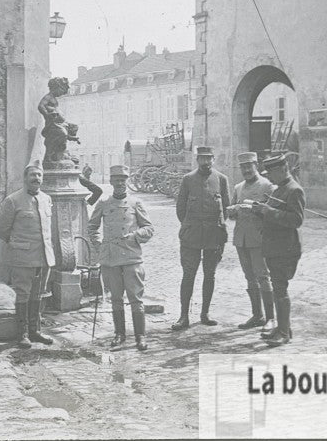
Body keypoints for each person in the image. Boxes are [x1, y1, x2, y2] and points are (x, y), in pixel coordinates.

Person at [87, 165, 156, 351]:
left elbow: (149, 228)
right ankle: (119, 334)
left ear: (126, 181)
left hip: (131, 256)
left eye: (122, 179)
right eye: (116, 179)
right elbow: (92, 227)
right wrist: (99, 244)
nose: (119, 183)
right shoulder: (103, 203)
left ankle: (140, 336)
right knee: (116, 298)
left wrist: (135, 235)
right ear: (110, 181)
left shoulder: (136, 203)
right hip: (110, 258)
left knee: (136, 298)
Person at [0, 164, 57, 349]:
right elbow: (2, 230)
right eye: (32, 175)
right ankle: (22, 334)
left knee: (38, 293)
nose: (36, 178)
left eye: (39, 175)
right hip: (23, 257)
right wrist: (19, 246)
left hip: (44, 256)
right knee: (23, 293)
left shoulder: (46, 199)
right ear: (25, 177)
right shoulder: (13, 201)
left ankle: (35, 331)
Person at [242, 155, 304, 345]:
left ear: (283, 169)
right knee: (278, 290)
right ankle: (282, 327)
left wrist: (267, 211)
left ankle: (283, 333)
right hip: (273, 247)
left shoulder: (294, 190)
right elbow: (274, 216)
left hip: (285, 248)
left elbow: (296, 220)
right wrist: (258, 210)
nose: (269, 177)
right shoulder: (279, 190)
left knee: (280, 290)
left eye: (272, 173)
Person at [173, 146, 230, 331]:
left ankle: (205, 313)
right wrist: (191, 224)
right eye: (202, 159)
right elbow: (180, 208)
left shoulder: (221, 179)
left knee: (210, 275)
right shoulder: (188, 179)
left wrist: (215, 226)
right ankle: (183, 316)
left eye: (209, 159)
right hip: (192, 235)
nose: (205, 162)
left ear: (213, 159)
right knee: (188, 274)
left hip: (213, 235)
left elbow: (226, 207)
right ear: (197, 160)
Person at [229, 152, 276, 329]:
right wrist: (232, 211)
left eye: (249, 166)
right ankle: (257, 315)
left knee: (263, 277)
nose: (246, 170)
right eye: (243, 167)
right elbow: (233, 213)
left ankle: (270, 318)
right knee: (249, 278)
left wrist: (258, 210)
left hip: (259, 238)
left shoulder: (267, 186)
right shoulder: (238, 187)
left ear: (257, 165)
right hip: (241, 239)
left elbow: (274, 213)